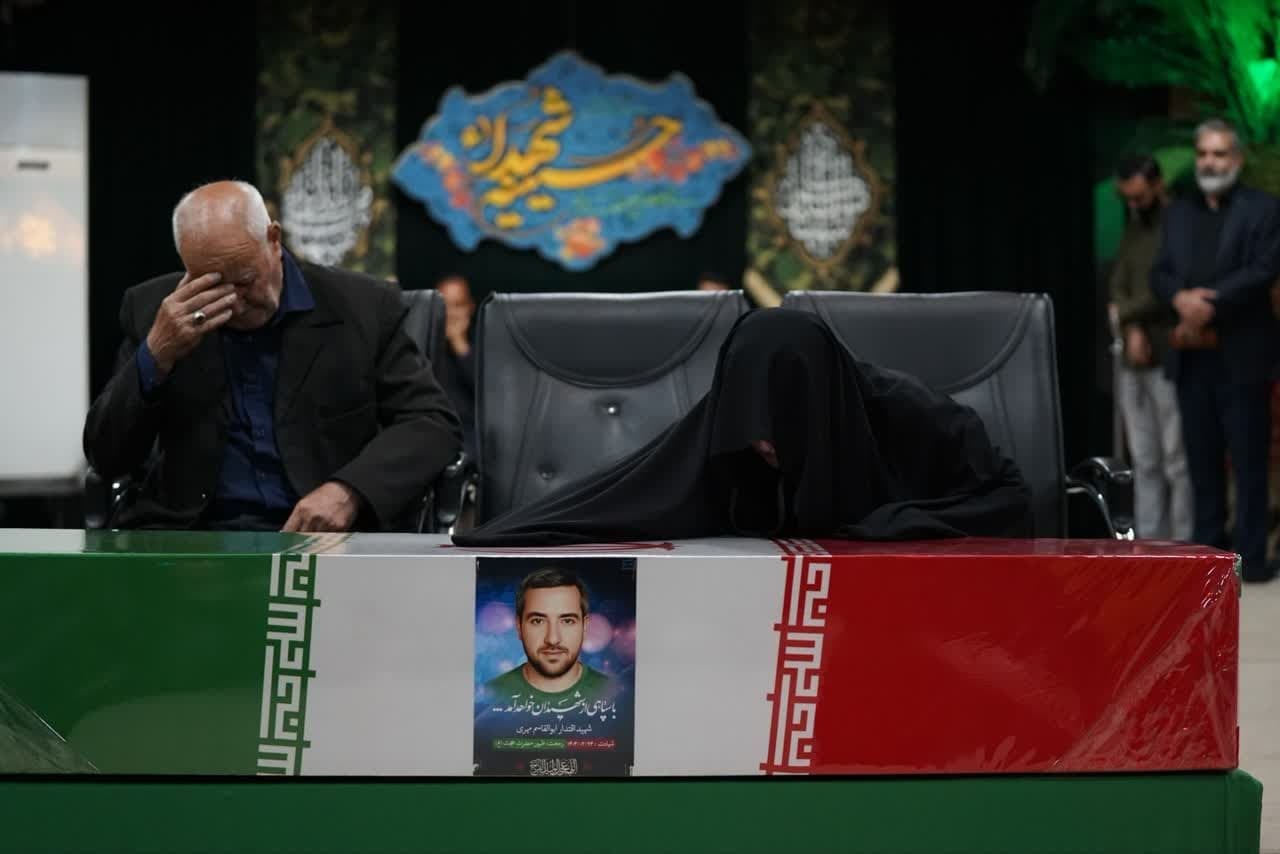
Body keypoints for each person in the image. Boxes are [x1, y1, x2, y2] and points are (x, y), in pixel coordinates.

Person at [452, 308, 1031, 546]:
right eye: (752, 423)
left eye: (783, 423)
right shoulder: (730, 420)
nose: (762, 443)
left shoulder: (912, 413)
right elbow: (629, 496)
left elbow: (1009, 498)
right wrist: (502, 536)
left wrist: (888, 526)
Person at [83, 180, 462, 532]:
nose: (234, 301)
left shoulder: (362, 307)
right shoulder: (155, 310)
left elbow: (432, 423)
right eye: (212, 286)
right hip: (192, 540)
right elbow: (107, 457)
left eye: (245, 280)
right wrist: (156, 355)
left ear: (274, 239)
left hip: (324, 538)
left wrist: (348, 491)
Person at [1151, 119, 1280, 582]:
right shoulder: (1178, 212)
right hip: (1193, 360)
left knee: (1248, 465)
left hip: (1243, 359)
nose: (1209, 162)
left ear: (1237, 159)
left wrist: (1211, 302)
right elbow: (1160, 272)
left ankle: (1252, 560)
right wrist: (1179, 299)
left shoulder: (1263, 208)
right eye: (1203, 153)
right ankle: (1210, 561)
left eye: (1219, 154)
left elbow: (1264, 268)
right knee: (1201, 465)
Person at [1108, 154, 1192, 540]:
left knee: (1176, 459)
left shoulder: (1177, 225)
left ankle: (1184, 545)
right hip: (1131, 354)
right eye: (1127, 198)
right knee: (1143, 460)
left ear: (1157, 186)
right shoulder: (1134, 226)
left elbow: (1168, 287)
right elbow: (1117, 283)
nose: (1133, 204)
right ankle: (1149, 545)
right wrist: (1132, 325)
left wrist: (1126, 315)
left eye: (1139, 196)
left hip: (1168, 353)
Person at [481, 568, 616, 702]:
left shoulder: (614, 695)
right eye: (538, 621)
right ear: (519, 627)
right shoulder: (491, 696)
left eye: (567, 621)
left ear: (585, 627)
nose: (553, 639)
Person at [435, 273, 477, 458]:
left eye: (457, 305)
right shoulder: (421, 344)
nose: (450, 313)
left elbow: (489, 391)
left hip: (470, 438)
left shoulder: (485, 343)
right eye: (444, 306)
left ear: (470, 307)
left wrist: (459, 343)